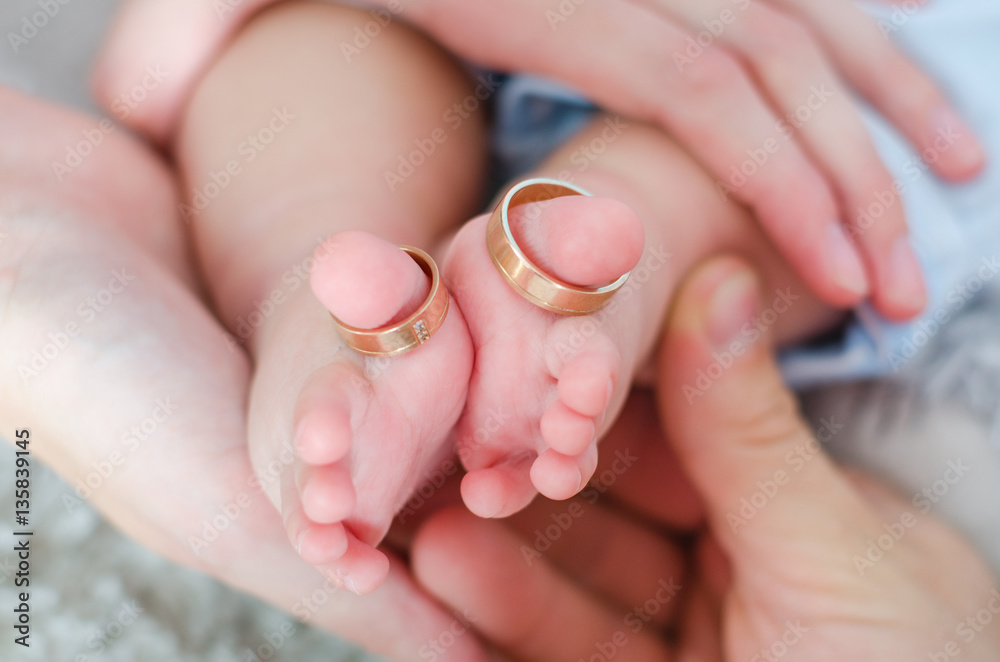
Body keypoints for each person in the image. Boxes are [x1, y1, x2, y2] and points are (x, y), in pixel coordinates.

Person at [163, 0, 1000, 594]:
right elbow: (148, 61)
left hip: (801, 47)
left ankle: (430, 299)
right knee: (310, 51)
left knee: (778, 146)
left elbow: (145, 66)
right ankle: (336, 312)